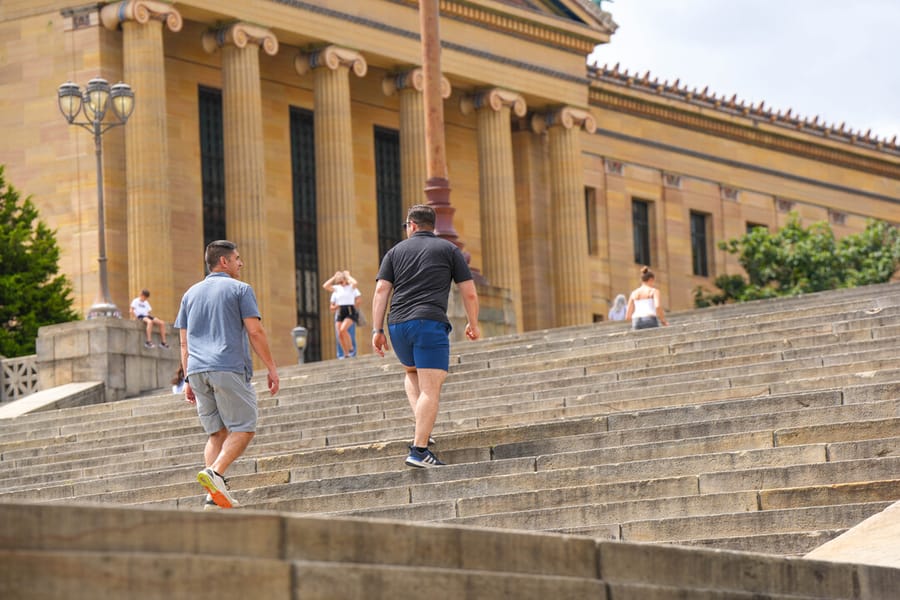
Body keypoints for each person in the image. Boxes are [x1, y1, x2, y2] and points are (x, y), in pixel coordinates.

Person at [372, 204, 480, 468]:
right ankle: (419, 450)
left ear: (411, 225)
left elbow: (381, 291)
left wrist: (377, 330)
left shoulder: (394, 252)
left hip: (397, 324)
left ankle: (423, 428)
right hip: (429, 322)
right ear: (433, 226)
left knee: (411, 372)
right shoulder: (448, 250)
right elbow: (469, 292)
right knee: (431, 388)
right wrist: (472, 323)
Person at [174, 240, 279, 509]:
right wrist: (271, 367)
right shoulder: (240, 289)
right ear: (224, 262)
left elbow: (183, 343)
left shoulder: (190, 294)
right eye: (237, 258)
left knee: (216, 434)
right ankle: (215, 472)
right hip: (226, 366)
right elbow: (255, 331)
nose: (240, 263)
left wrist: (187, 378)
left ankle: (213, 494)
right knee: (244, 427)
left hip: (197, 370)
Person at [323, 270, 361, 358]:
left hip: (349, 310)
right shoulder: (337, 288)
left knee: (343, 329)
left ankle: (351, 347)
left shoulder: (351, 287)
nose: (341, 282)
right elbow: (325, 286)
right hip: (340, 310)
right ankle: (346, 353)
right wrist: (334, 277)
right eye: (339, 281)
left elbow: (355, 283)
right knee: (339, 333)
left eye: (342, 280)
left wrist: (347, 276)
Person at [625, 266, 669, 330]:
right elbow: (658, 306)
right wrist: (663, 320)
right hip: (650, 319)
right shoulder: (653, 291)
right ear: (651, 279)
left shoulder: (633, 293)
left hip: (636, 321)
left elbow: (628, 316)